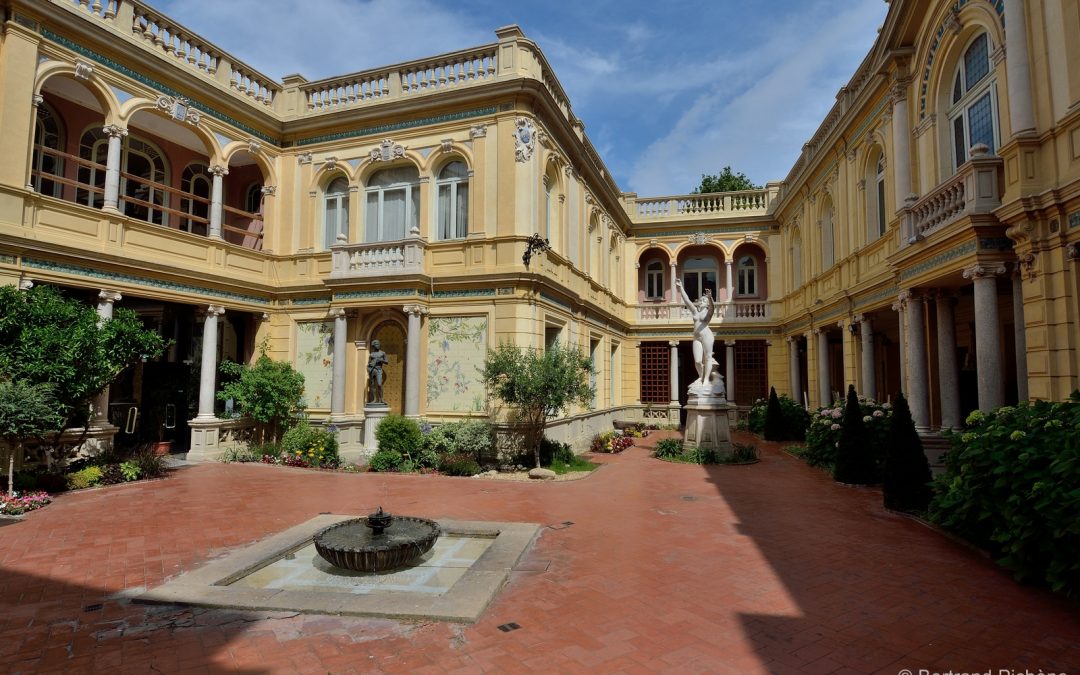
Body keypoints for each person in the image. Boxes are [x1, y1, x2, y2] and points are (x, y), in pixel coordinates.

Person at [676, 280, 715, 387]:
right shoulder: (695, 312)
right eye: (701, 299)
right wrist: (681, 288)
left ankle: (706, 379)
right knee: (697, 361)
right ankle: (701, 376)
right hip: (697, 337)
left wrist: (710, 298)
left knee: (707, 358)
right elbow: (687, 301)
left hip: (707, 336)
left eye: (704, 300)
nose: (701, 301)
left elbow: (712, 309)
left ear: (707, 303)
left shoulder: (708, 312)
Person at [367, 339, 389, 404]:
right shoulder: (372, 354)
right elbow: (369, 363)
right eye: (376, 344)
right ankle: (374, 399)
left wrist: (381, 360)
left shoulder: (382, 353)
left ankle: (381, 399)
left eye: (379, 344)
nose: (378, 345)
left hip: (379, 370)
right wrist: (369, 368)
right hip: (372, 370)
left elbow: (387, 361)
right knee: (372, 385)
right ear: (373, 346)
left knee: (379, 384)